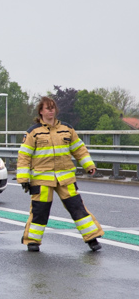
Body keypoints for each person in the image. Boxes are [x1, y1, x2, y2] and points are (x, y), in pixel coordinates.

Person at [16, 96, 103, 252]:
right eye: (47, 108)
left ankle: (92, 238)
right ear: (41, 111)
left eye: (53, 108)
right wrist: (23, 178)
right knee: (40, 211)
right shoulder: (33, 132)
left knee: (77, 208)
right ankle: (33, 242)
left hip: (65, 178)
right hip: (42, 180)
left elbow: (79, 149)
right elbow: (24, 156)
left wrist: (89, 165)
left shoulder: (67, 129)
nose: (51, 111)